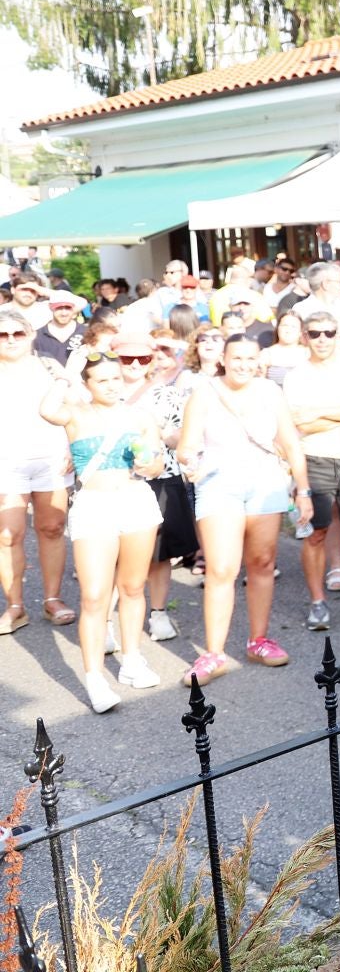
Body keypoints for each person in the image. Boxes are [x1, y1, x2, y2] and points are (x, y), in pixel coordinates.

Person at [177, 335, 311, 684]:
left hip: (266, 483)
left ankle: (259, 640)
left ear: (259, 360)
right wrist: (190, 460)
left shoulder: (270, 391)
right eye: (237, 357)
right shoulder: (204, 391)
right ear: (223, 357)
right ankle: (213, 653)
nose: (243, 365)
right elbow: (186, 444)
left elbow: (291, 442)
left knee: (263, 563)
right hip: (219, 483)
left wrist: (304, 490)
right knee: (222, 568)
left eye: (250, 358)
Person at [39, 352, 168, 710]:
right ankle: (94, 677)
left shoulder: (140, 416)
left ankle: (130, 660)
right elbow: (47, 409)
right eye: (102, 380)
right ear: (88, 385)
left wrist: (149, 463)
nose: (112, 385)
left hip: (136, 502)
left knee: (131, 587)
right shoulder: (76, 414)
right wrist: (66, 375)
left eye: (116, 378)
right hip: (93, 507)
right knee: (94, 596)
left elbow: (157, 464)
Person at [284, 312, 340, 631]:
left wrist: (318, 414)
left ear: (338, 335)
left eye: (329, 332)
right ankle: (318, 603)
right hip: (313, 458)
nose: (323, 338)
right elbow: (296, 421)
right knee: (316, 533)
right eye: (315, 333)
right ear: (304, 336)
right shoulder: (296, 375)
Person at [116, 332, 195, 642]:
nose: (135, 364)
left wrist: (157, 429)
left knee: (160, 553)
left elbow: (180, 439)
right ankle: (114, 616)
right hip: (115, 481)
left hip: (161, 478)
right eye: (126, 358)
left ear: (151, 360)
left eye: (143, 358)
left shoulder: (166, 393)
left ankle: (159, 612)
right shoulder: (101, 389)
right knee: (115, 552)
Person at [0, 307, 72, 631]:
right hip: (6, 462)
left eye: (18, 333)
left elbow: (73, 407)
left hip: (51, 457)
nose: (11, 340)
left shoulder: (49, 365)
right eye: (3, 334)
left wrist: (76, 447)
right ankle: (15, 606)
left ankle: (51, 599)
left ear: (30, 334)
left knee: (52, 527)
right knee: (7, 534)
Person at [33, 289, 86, 360]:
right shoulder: (37, 336)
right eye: (59, 308)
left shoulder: (86, 332)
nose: (64, 313)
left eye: (68, 308)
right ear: (50, 307)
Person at [263, 312, 308, 384]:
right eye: (285, 325)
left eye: (293, 326)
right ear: (277, 328)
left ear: (300, 332)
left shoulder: (309, 354)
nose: (288, 330)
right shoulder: (266, 354)